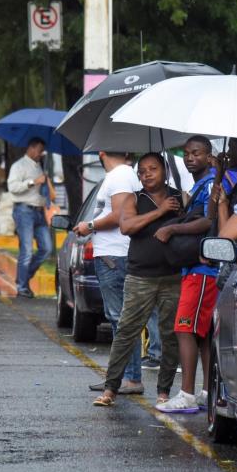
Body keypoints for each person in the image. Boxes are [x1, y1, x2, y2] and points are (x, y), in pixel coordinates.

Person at [93, 153, 183, 408]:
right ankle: (111, 388)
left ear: (164, 170)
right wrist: (160, 212)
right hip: (140, 276)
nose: (146, 175)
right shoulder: (135, 198)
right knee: (126, 330)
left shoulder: (179, 197)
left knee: (169, 336)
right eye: (142, 171)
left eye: (153, 169)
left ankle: (164, 391)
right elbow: (127, 226)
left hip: (172, 276)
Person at [151, 136, 217, 413]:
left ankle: (187, 394)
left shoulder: (213, 182)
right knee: (200, 333)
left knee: (184, 328)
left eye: (197, 153)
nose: (190, 158)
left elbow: (209, 221)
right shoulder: (201, 183)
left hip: (204, 269)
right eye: (187, 153)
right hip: (193, 268)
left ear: (209, 155)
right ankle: (206, 391)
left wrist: (173, 229)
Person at [74, 151, 146, 395]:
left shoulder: (122, 174)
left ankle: (131, 378)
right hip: (111, 256)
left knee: (122, 319)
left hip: (114, 256)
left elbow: (120, 215)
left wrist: (89, 226)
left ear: (102, 152)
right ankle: (119, 377)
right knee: (118, 319)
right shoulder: (118, 175)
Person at [7, 137, 52, 299]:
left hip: (39, 212)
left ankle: (23, 279)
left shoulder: (39, 166)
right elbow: (12, 187)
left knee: (46, 248)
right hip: (24, 211)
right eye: (40, 150)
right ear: (31, 148)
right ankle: (22, 286)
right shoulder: (19, 166)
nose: (41, 154)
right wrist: (33, 181)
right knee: (26, 250)